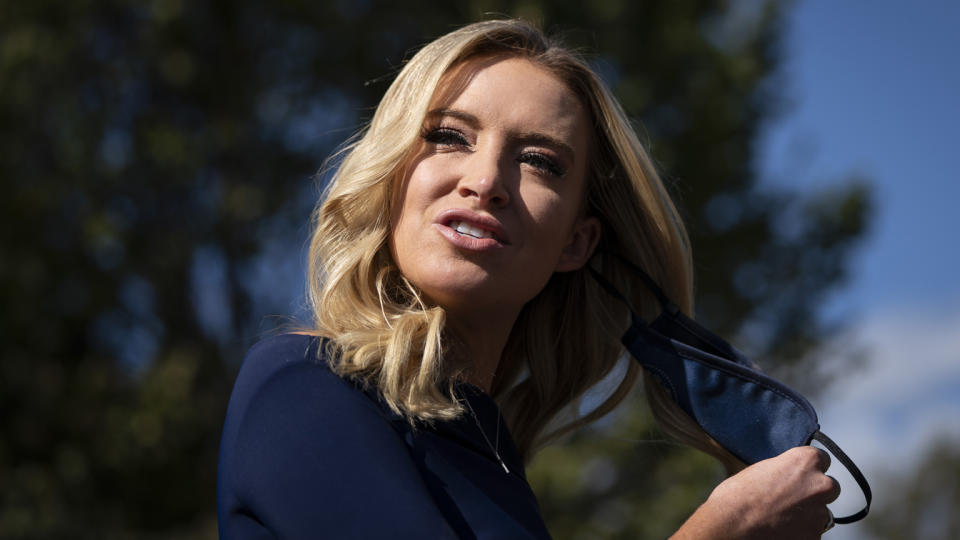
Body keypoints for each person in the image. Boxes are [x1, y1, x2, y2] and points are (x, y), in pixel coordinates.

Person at [217, 19, 840, 539]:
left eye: (539, 161)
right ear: (393, 180)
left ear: (576, 242)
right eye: (447, 137)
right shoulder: (305, 383)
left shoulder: (492, 456)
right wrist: (726, 529)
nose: (485, 180)